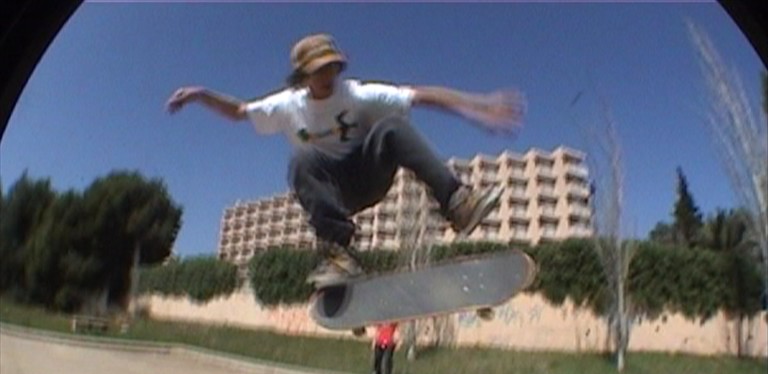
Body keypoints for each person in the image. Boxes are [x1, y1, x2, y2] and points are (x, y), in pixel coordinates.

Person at [166, 33, 525, 287]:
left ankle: (457, 203)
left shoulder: (356, 94)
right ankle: (339, 254)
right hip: (332, 193)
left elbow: (421, 96)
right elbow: (239, 111)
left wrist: (478, 106)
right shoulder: (287, 105)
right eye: (319, 71)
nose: (327, 77)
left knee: (392, 127)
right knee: (302, 159)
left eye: (332, 68)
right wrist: (200, 95)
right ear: (303, 75)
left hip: (369, 176)